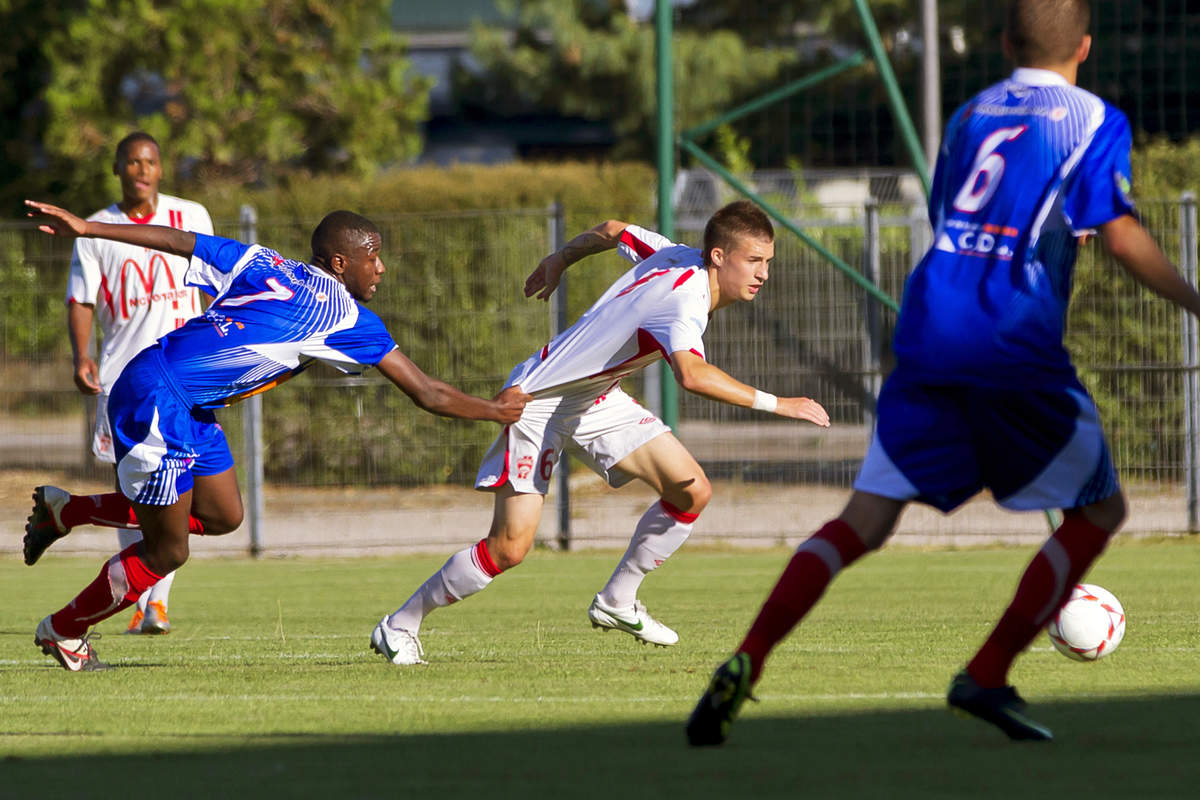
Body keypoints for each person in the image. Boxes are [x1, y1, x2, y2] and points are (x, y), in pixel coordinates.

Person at [686, 0, 1200, 746]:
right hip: (1011, 336)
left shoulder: (971, 115)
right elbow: (1117, 234)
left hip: (928, 330)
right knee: (1100, 514)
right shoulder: (1091, 118)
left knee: (861, 521)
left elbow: (957, 219)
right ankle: (986, 673)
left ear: (1002, 43)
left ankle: (747, 659)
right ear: (1085, 46)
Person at [22, 199, 529, 672]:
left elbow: (181, 241)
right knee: (167, 551)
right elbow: (428, 393)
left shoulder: (263, 261)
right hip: (158, 398)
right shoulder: (345, 315)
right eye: (371, 257)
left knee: (222, 515)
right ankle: (65, 630)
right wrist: (495, 410)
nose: (380, 268)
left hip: (185, 399)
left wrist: (90, 228)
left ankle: (69, 510)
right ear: (338, 263)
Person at [371, 200, 831, 666]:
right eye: (753, 261)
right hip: (536, 403)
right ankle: (400, 624)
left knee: (690, 491)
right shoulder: (686, 301)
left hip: (594, 397)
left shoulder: (671, 251)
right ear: (717, 256)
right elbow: (692, 375)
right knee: (509, 548)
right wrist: (781, 404)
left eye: (767, 262)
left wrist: (560, 258)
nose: (763, 274)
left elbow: (613, 230)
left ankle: (617, 601)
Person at [52, 131, 213, 636]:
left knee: (187, 493)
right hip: (126, 381)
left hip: (186, 379)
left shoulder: (192, 216)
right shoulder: (97, 229)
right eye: (132, 162)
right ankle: (140, 598)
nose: (142, 170)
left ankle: (154, 603)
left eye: (151, 161)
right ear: (118, 169)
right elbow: (80, 299)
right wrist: (82, 357)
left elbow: (213, 289)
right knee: (136, 490)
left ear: (161, 169)